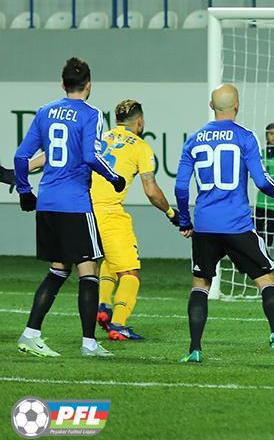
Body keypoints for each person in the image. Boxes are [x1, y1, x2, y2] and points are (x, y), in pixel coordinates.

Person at [22, 100, 181, 341]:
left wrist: (22, 168)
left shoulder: (98, 137)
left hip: (82, 211)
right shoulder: (141, 147)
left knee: (97, 263)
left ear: (115, 120)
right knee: (129, 271)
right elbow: (151, 192)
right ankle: (119, 324)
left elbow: (55, 153)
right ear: (140, 121)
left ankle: (103, 306)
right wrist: (171, 213)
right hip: (109, 214)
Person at [175, 84, 274, 364]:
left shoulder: (194, 140)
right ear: (237, 106)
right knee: (265, 279)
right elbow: (261, 180)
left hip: (205, 226)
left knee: (200, 284)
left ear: (211, 106)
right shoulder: (245, 137)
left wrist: (185, 220)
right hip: (237, 225)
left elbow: (181, 187)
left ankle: (195, 348)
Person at [14, 57, 125, 358]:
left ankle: (31, 334)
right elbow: (91, 156)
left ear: (62, 84)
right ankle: (89, 343)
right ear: (89, 85)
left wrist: (24, 192)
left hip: (48, 201)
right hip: (75, 203)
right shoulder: (91, 114)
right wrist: (114, 178)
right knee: (89, 269)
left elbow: (21, 157)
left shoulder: (44, 112)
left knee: (59, 269)